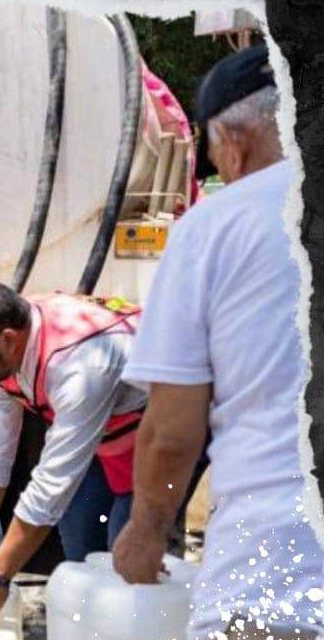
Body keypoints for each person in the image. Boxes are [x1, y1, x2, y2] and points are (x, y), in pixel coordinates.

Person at [113, 44, 324, 640]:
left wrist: (147, 530)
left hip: (280, 573)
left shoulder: (216, 224)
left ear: (233, 142)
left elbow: (173, 430)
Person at [0, 278, 148, 632]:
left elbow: (50, 488)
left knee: (128, 555)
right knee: (80, 540)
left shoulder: (81, 364)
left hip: (160, 436)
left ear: (9, 340)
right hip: (102, 437)